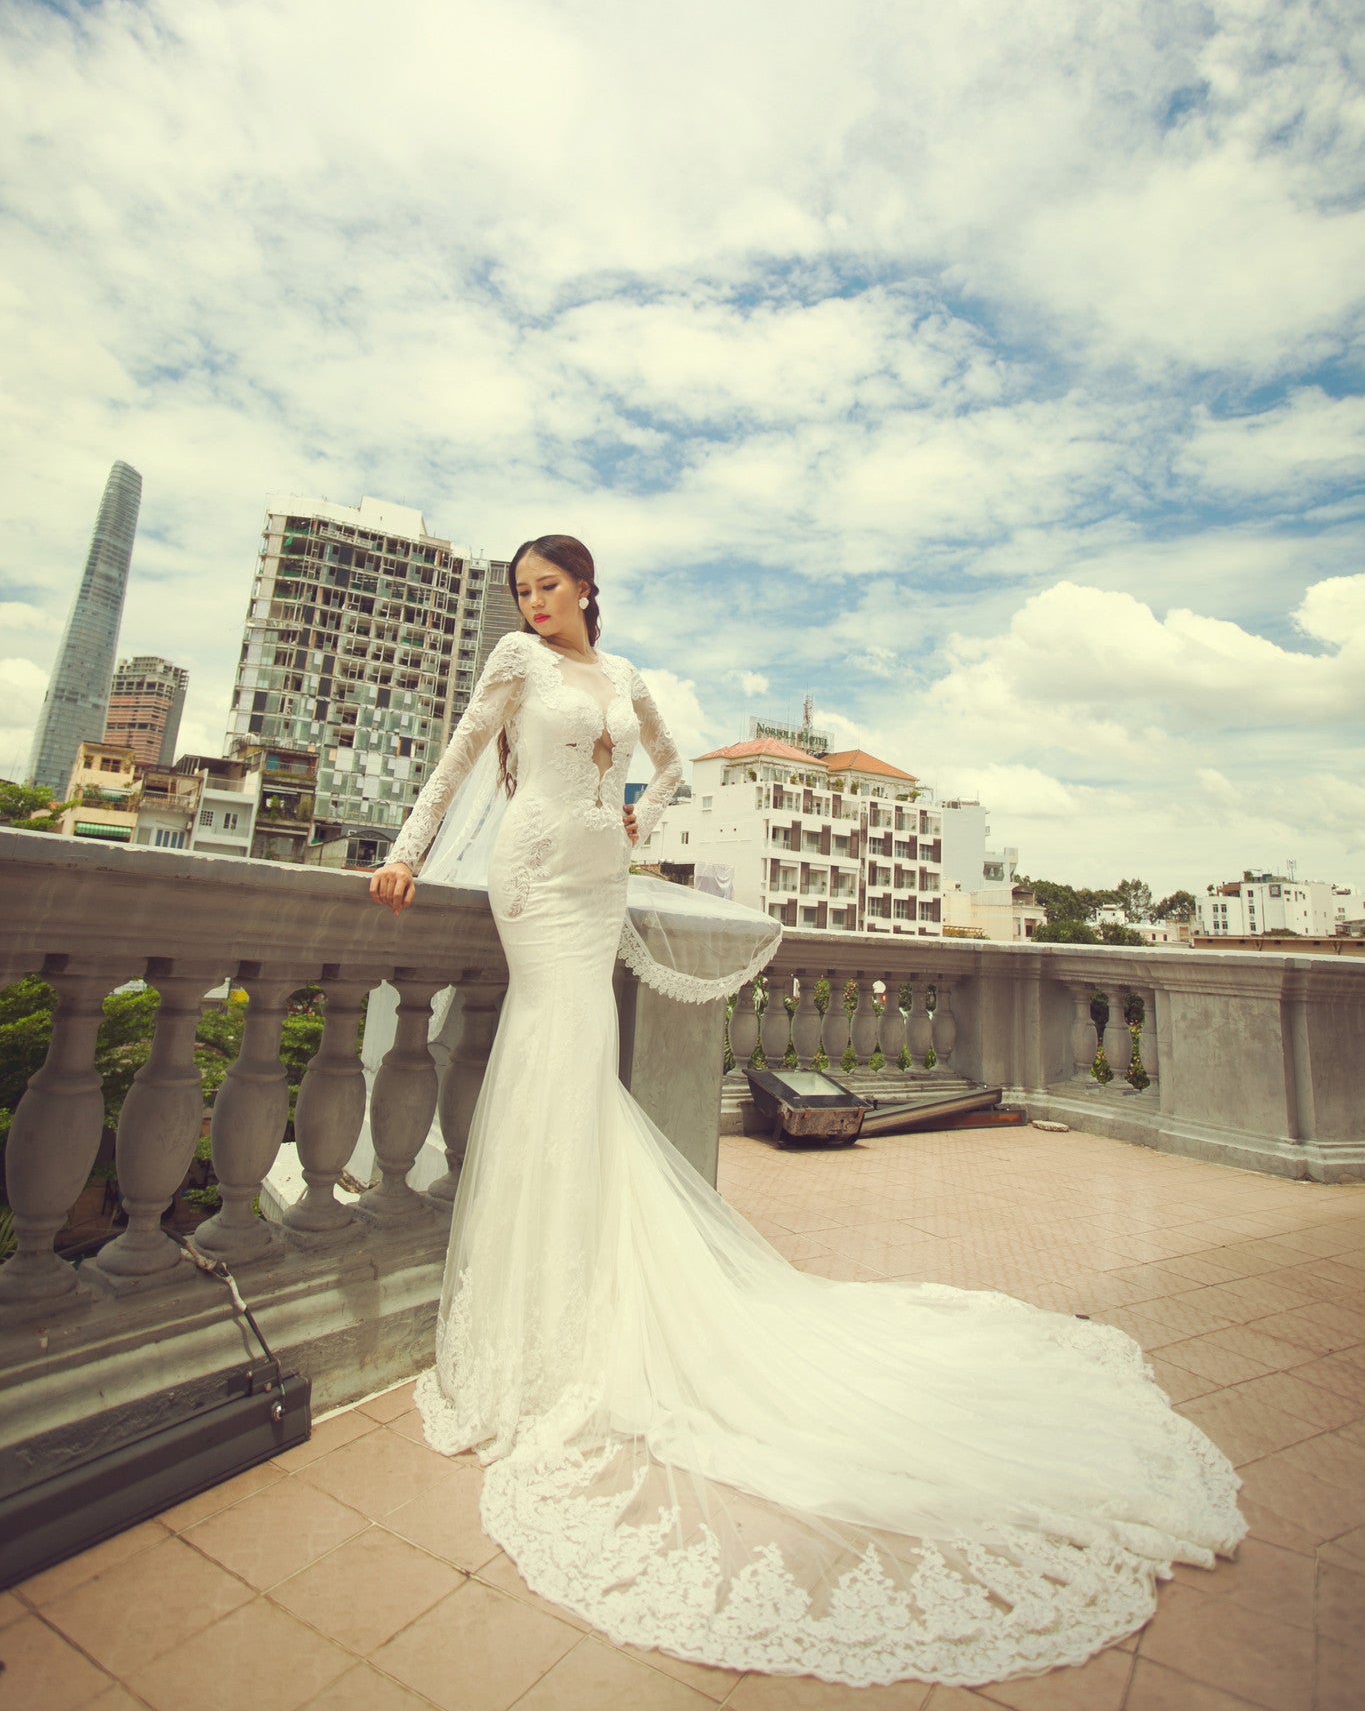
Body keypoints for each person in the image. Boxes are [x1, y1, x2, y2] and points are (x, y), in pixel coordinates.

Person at [369, 535, 1245, 1690]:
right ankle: (542, 1313)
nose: (532, 604)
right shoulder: (512, 664)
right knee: (556, 1049)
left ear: (587, 586)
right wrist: (403, 851)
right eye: (521, 591)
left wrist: (634, 818)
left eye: (548, 586)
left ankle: (577, 1283)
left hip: (593, 869)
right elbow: (454, 760)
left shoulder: (627, 680)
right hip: (530, 876)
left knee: (577, 1067)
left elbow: (673, 768)